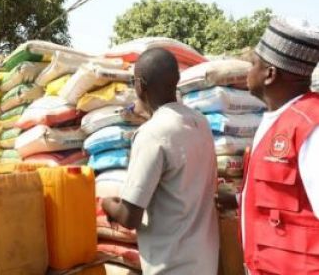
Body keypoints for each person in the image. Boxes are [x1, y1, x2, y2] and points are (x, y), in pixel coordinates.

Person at [102, 48, 219, 275]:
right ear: (175, 80)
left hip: (171, 266)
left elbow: (129, 216)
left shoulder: (152, 134)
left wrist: (107, 204)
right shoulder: (200, 122)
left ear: (139, 85)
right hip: (205, 263)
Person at [219, 17, 319, 275]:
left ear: (269, 74)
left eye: (253, 63)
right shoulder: (276, 120)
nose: (247, 70)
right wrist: (238, 200)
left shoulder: (310, 126)